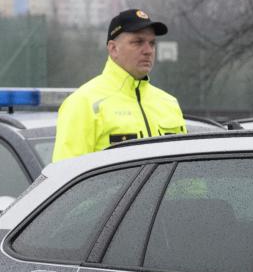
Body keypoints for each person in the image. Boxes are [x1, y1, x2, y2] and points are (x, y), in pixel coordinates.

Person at [52, 9, 186, 162]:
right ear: (113, 49)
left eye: (152, 43)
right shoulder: (83, 103)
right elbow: (67, 176)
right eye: (138, 42)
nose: (148, 51)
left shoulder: (169, 104)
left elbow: (189, 180)